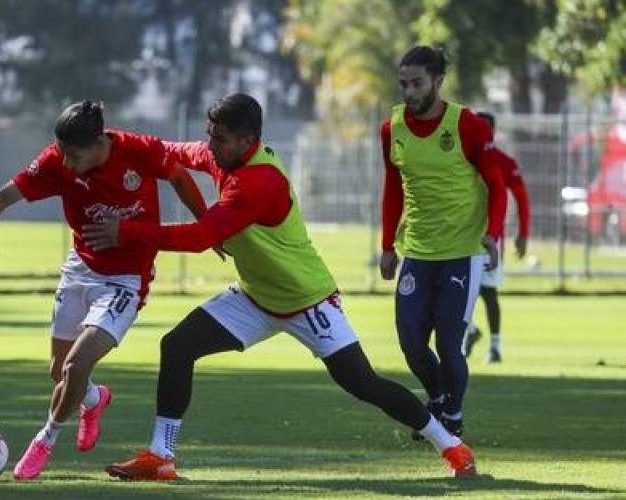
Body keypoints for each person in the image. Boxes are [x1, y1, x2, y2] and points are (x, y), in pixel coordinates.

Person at [88, 93, 478, 480]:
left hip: (307, 301)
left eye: (219, 138)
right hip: (256, 298)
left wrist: (125, 231)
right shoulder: (222, 155)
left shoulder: (260, 180)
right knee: (177, 346)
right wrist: (108, 138)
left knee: (363, 383)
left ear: (247, 140)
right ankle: (161, 456)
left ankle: (451, 446)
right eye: (210, 135)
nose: (210, 145)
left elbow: (201, 236)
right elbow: (167, 149)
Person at [0, 100, 208, 480]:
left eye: (74, 155)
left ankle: (43, 441)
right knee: (60, 373)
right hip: (79, 269)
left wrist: (207, 225)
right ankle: (95, 399)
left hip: (125, 280)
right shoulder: (55, 162)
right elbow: (3, 198)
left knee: (75, 365)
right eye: (62, 154)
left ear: (99, 142)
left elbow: (181, 177)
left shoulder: (139, 151)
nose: (66, 163)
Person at [378, 46, 507, 438]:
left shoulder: (468, 125)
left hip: (461, 254)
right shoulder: (391, 129)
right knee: (412, 343)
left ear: (437, 81)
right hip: (417, 251)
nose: (409, 92)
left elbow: (497, 185)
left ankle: (452, 411)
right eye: (403, 84)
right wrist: (387, 245)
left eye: (416, 83)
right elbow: (392, 188)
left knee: (449, 344)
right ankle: (438, 398)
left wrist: (494, 232)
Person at [462, 112, 531, 363]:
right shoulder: (462, 160)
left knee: (488, 294)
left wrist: (523, 234)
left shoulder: (504, 162)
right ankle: (468, 334)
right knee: (459, 292)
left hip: (490, 239)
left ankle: (495, 347)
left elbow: (521, 198)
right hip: (460, 237)